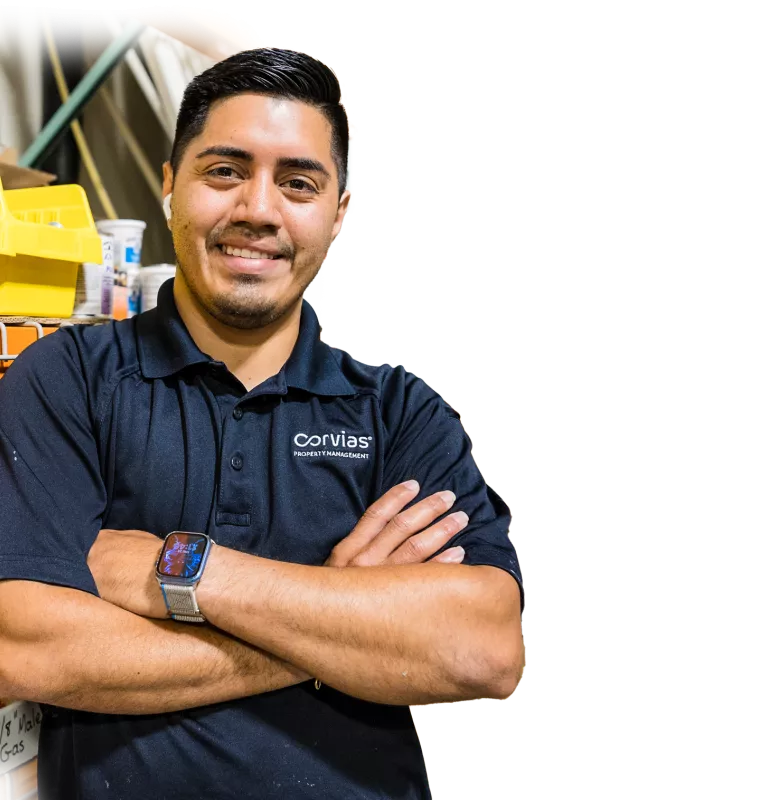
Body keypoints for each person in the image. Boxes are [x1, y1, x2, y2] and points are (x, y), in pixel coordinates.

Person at [0, 47, 525, 800]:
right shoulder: (67, 380)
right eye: (224, 170)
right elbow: (23, 648)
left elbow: (484, 651)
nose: (257, 209)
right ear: (170, 184)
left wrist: (186, 573)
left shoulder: (397, 408)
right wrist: (340, 613)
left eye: (298, 183)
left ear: (337, 212)